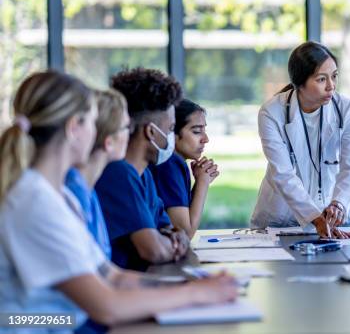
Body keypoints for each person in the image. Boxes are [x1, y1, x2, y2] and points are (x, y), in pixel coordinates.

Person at [0, 71, 237, 333]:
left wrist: (193, 288)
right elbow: (106, 306)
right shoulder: (35, 202)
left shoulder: (60, 197)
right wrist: (195, 296)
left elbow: (112, 276)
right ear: (74, 129)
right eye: (93, 122)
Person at [251, 41, 350, 239]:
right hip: (282, 215)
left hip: (335, 214)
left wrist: (339, 203)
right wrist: (314, 217)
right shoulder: (272, 112)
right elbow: (283, 173)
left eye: (334, 76)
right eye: (321, 79)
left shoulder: (347, 110)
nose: (331, 86)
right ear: (300, 82)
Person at [95, 67, 190, 271]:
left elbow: (169, 228)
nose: (172, 137)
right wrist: (172, 245)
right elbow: (153, 250)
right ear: (151, 132)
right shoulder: (118, 173)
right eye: (171, 129)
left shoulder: (144, 174)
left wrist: (175, 237)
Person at [65, 89, 130, 259]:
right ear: (108, 142)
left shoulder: (87, 188)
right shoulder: (73, 192)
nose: (130, 133)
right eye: (126, 127)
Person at [151, 99, 218, 239]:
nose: (205, 139)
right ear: (172, 133)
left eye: (204, 130)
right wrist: (202, 182)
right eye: (197, 131)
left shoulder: (174, 162)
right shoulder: (170, 164)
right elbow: (185, 234)